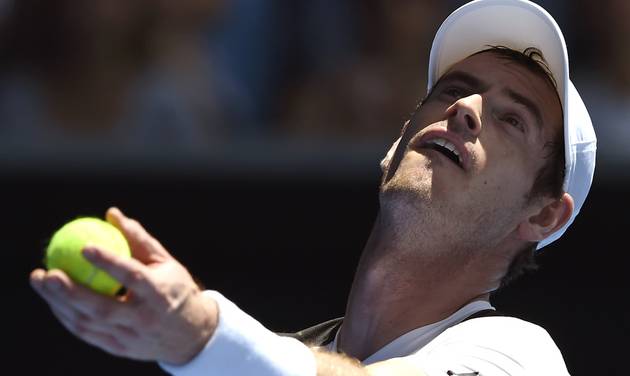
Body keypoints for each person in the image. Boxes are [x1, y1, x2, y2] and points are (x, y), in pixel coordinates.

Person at [29, 0, 597, 375]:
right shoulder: (270, 358)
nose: (466, 110)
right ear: (395, 146)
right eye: (453, 90)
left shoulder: (522, 358)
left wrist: (201, 331)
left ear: (543, 216)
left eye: (512, 120)